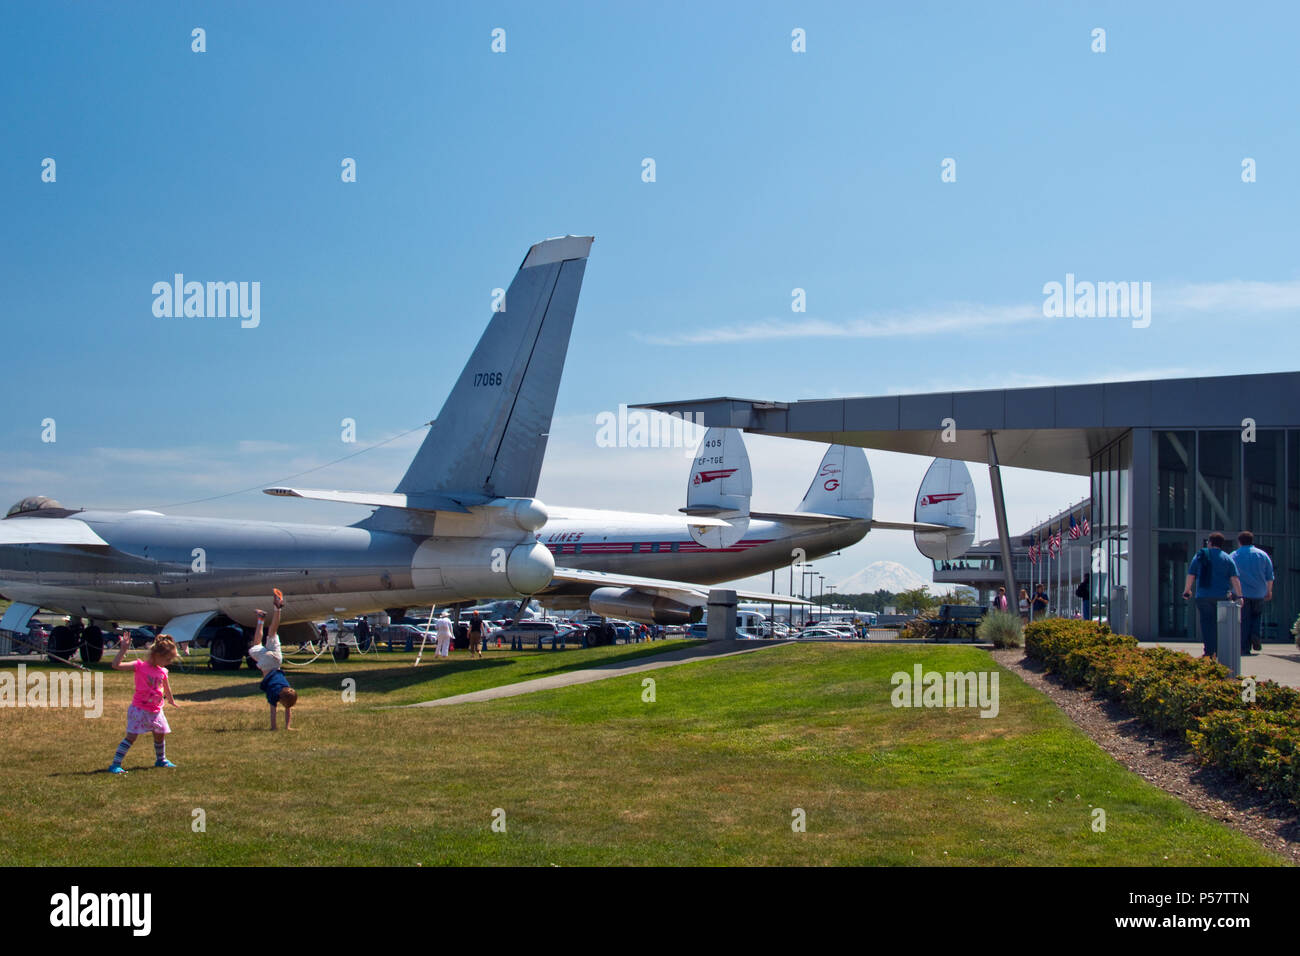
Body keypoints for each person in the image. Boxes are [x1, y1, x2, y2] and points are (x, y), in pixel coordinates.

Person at [108, 633, 181, 773]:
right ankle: (115, 764)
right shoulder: (140, 666)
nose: (170, 662)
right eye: (167, 659)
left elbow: (166, 687)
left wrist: (171, 700)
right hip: (139, 709)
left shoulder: (163, 671)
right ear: (156, 655)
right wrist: (123, 649)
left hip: (156, 710)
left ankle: (161, 760)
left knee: (160, 734)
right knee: (131, 737)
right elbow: (116, 665)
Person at [1183, 533, 1243, 660]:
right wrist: (1240, 596)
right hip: (1222, 598)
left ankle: (1209, 652)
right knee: (1220, 625)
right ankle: (1220, 651)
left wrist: (1187, 590)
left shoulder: (1200, 556)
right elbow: (1235, 579)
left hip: (1203, 596)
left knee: (1207, 624)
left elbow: (1191, 574)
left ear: (1209, 543)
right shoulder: (1227, 558)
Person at [248, 589, 298, 730]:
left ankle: (276, 610)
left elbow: (288, 707)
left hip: (277, 661)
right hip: (266, 665)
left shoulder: (287, 688)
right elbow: (274, 711)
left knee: (272, 633)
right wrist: (275, 727)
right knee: (256, 645)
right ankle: (260, 619)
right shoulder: (275, 694)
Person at [1231, 531, 1274, 655]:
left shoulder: (1234, 555)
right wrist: (1268, 591)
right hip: (1259, 592)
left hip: (1241, 593)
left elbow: (1230, 574)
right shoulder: (1262, 555)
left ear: (1239, 542)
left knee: (1244, 620)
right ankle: (1255, 635)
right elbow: (1269, 576)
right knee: (1256, 617)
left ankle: (1244, 647)